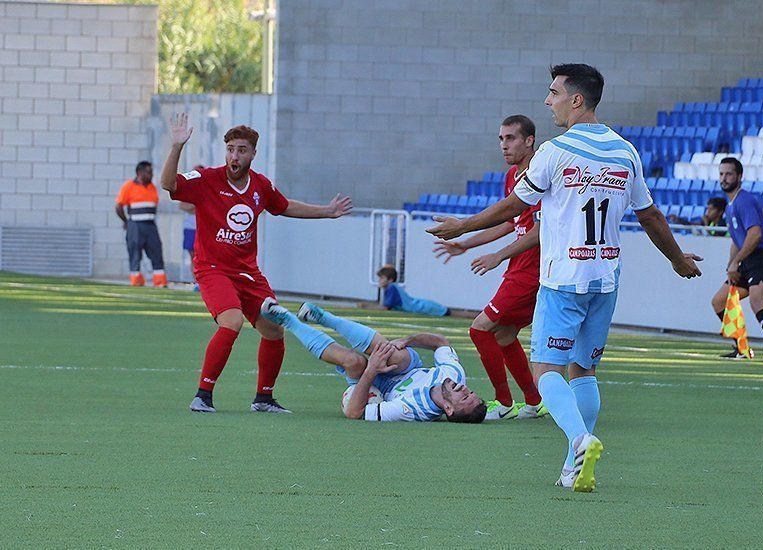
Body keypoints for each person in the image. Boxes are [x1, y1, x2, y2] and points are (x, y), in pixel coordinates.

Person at [428, 64, 702, 492]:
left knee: (547, 371)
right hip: (606, 278)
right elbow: (650, 216)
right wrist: (677, 259)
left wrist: (462, 228)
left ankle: (579, 439)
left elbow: (514, 207)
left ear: (577, 99)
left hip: (563, 279)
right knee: (585, 372)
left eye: (553, 92)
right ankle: (572, 464)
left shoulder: (554, 153)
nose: (547, 100)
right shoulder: (625, 151)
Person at [159, 113, 353, 414]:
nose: (234, 156)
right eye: (230, 149)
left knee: (275, 330)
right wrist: (176, 147)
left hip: (248, 273)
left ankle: (263, 399)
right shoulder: (207, 180)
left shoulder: (261, 186)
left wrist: (326, 211)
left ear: (252, 154)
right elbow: (168, 184)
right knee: (232, 321)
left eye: (241, 150)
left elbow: (285, 206)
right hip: (212, 269)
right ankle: (203, 395)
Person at [433, 114, 546, 421]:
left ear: (529, 140)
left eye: (510, 138)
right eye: (500, 139)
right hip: (518, 267)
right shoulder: (512, 176)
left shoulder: (541, 173)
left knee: (480, 329)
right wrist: (465, 243)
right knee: (505, 335)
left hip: (532, 271)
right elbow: (511, 222)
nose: (504, 145)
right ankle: (534, 403)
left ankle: (505, 403)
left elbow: (542, 229)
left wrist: (497, 255)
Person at [260, 299, 486, 423]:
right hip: (407, 366)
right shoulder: (454, 375)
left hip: (377, 385)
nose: (465, 388)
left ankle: (287, 320)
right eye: (470, 391)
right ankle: (324, 317)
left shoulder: (409, 410)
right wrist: (407, 340)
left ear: (448, 408)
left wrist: (370, 370)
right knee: (394, 354)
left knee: (354, 362)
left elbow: (353, 413)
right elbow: (440, 341)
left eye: (463, 396)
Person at [709, 157, 763, 363]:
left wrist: (737, 262)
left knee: (756, 302)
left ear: (740, 176)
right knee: (719, 301)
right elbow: (737, 240)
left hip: (762, 259)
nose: (724, 178)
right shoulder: (729, 206)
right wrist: (731, 265)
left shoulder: (745, 200)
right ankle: (741, 348)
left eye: (729, 174)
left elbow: (755, 235)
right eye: (721, 174)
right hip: (747, 261)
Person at [114, 161, 167, 287]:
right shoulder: (129, 186)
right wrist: (126, 222)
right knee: (135, 252)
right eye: (148, 172)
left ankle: (160, 280)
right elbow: (118, 206)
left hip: (150, 225)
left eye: (151, 172)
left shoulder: (152, 187)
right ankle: (136, 280)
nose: (151, 175)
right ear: (139, 173)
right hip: (135, 225)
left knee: (156, 251)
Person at [377, 265, 450, 316]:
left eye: (382, 278)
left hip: (421, 308)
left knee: (448, 313)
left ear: (390, 280)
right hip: (421, 305)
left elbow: (385, 308)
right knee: (447, 312)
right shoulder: (393, 287)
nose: (379, 280)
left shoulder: (391, 287)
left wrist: (366, 306)